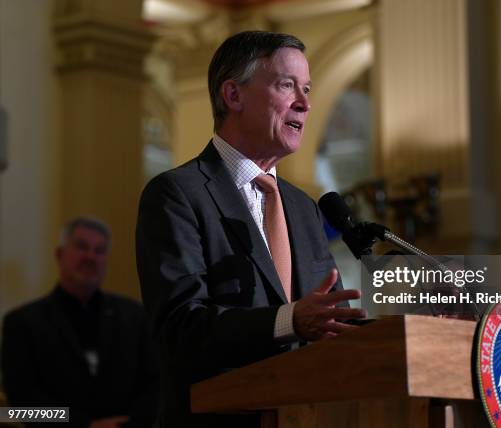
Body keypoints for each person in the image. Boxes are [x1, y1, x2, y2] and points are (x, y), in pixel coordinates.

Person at [136, 31, 366, 427]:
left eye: (307, 88)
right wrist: (288, 320)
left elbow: (334, 322)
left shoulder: (303, 208)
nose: (306, 103)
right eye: (286, 85)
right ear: (233, 95)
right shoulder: (176, 194)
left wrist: (413, 331)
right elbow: (181, 329)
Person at [1, 217, 158, 428]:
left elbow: (156, 386)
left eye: (100, 250)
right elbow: (22, 407)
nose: (91, 256)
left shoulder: (136, 316)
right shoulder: (21, 323)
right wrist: (85, 425)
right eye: (82, 247)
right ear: (59, 254)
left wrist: (127, 424)